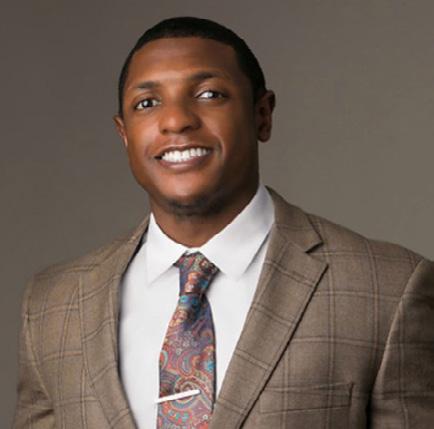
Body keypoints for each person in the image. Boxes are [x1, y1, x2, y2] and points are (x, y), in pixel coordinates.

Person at [13, 16, 434, 429]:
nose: (176, 120)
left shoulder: (387, 290)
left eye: (209, 94)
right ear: (124, 134)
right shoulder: (54, 305)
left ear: (262, 115)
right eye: (147, 103)